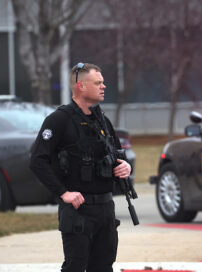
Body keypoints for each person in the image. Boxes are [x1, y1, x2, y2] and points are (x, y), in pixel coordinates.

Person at [30, 62, 131, 272]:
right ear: (81, 86)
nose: (104, 86)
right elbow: (38, 161)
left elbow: (117, 155)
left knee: (103, 267)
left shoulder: (102, 120)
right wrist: (63, 193)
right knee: (75, 267)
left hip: (105, 209)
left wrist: (124, 167)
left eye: (103, 82)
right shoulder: (59, 120)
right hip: (78, 211)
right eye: (98, 83)